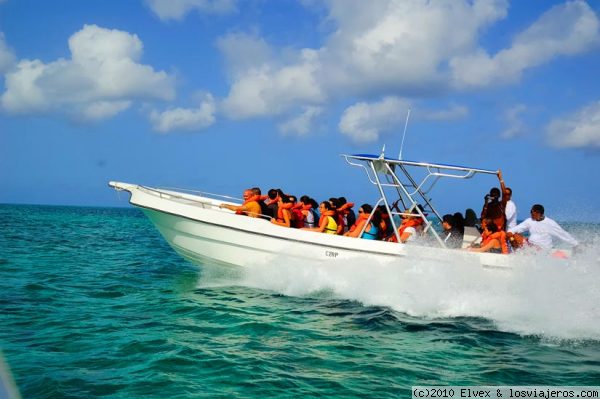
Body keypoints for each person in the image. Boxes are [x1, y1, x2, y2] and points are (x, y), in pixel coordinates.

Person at [508, 204, 579, 251]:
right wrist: (510, 232)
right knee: (514, 235)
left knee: (529, 247)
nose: (530, 213)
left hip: (543, 249)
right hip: (530, 245)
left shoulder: (550, 223)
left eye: (531, 212)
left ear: (538, 213)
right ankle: (517, 254)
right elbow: (519, 227)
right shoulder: (530, 221)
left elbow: (562, 233)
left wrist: (575, 243)